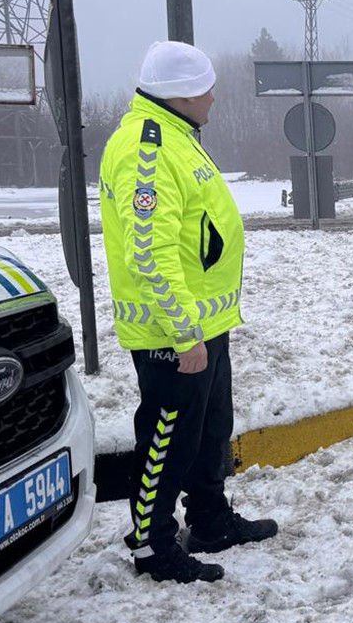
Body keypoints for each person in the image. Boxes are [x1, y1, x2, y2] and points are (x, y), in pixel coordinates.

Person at [98, 40, 277, 584]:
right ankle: (152, 545)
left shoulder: (177, 138)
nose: (214, 97)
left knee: (207, 432)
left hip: (205, 325)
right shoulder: (146, 149)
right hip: (172, 332)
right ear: (180, 94)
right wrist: (184, 335)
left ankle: (208, 519)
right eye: (205, 88)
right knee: (167, 439)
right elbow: (149, 254)